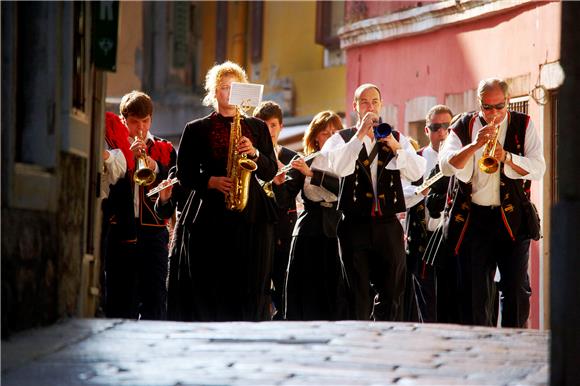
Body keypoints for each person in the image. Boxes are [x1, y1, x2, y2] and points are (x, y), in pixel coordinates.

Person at [174, 61, 278, 321]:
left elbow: (270, 171)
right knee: (210, 282)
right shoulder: (196, 129)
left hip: (250, 215)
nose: (229, 93)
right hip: (209, 216)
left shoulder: (257, 127)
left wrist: (254, 152)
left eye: (234, 87)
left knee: (248, 280)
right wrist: (210, 181)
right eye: (223, 88)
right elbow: (184, 175)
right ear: (213, 92)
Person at [439, 77, 546, 327]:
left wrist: (506, 157)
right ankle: (478, 346)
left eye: (499, 107)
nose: (494, 113)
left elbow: (539, 168)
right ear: (479, 104)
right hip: (473, 219)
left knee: (516, 290)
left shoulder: (523, 124)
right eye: (488, 107)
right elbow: (445, 166)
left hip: (511, 218)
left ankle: (514, 343)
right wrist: (475, 145)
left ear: (507, 102)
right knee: (474, 294)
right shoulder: (463, 125)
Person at [320, 83, 426, 321]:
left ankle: (386, 338)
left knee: (392, 292)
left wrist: (396, 146)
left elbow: (418, 171)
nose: (370, 106)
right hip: (354, 224)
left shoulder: (396, 136)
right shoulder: (341, 139)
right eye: (365, 102)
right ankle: (359, 340)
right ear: (355, 106)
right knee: (357, 293)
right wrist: (359, 135)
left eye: (375, 102)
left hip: (388, 225)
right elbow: (337, 166)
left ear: (381, 105)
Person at [103, 91, 177, 320]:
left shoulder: (164, 149)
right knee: (120, 299)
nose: (140, 129)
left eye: (145, 122)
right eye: (135, 122)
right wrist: (127, 156)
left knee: (155, 298)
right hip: (120, 230)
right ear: (124, 120)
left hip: (153, 233)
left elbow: (175, 185)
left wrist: (153, 166)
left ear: (151, 120)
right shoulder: (115, 147)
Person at [284, 111, 349, 321]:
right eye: (325, 133)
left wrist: (313, 174)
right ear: (315, 138)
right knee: (307, 287)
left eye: (335, 132)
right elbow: (286, 196)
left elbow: (344, 190)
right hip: (309, 232)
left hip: (338, 231)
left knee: (336, 288)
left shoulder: (348, 163)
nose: (331, 137)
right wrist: (279, 180)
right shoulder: (305, 160)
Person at [402, 105, 453, 323]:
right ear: (426, 130)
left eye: (446, 127)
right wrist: (420, 191)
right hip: (423, 241)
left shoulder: (460, 157)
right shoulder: (417, 159)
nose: (441, 132)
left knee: (452, 304)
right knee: (427, 305)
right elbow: (400, 193)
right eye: (435, 127)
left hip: (452, 238)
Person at [253, 100, 299, 319]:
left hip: (284, 231)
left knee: (284, 287)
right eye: (263, 125)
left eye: (272, 125)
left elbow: (287, 198)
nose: (268, 131)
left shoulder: (292, 158)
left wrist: (279, 180)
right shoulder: (247, 156)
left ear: (280, 127)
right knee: (257, 287)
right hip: (256, 227)